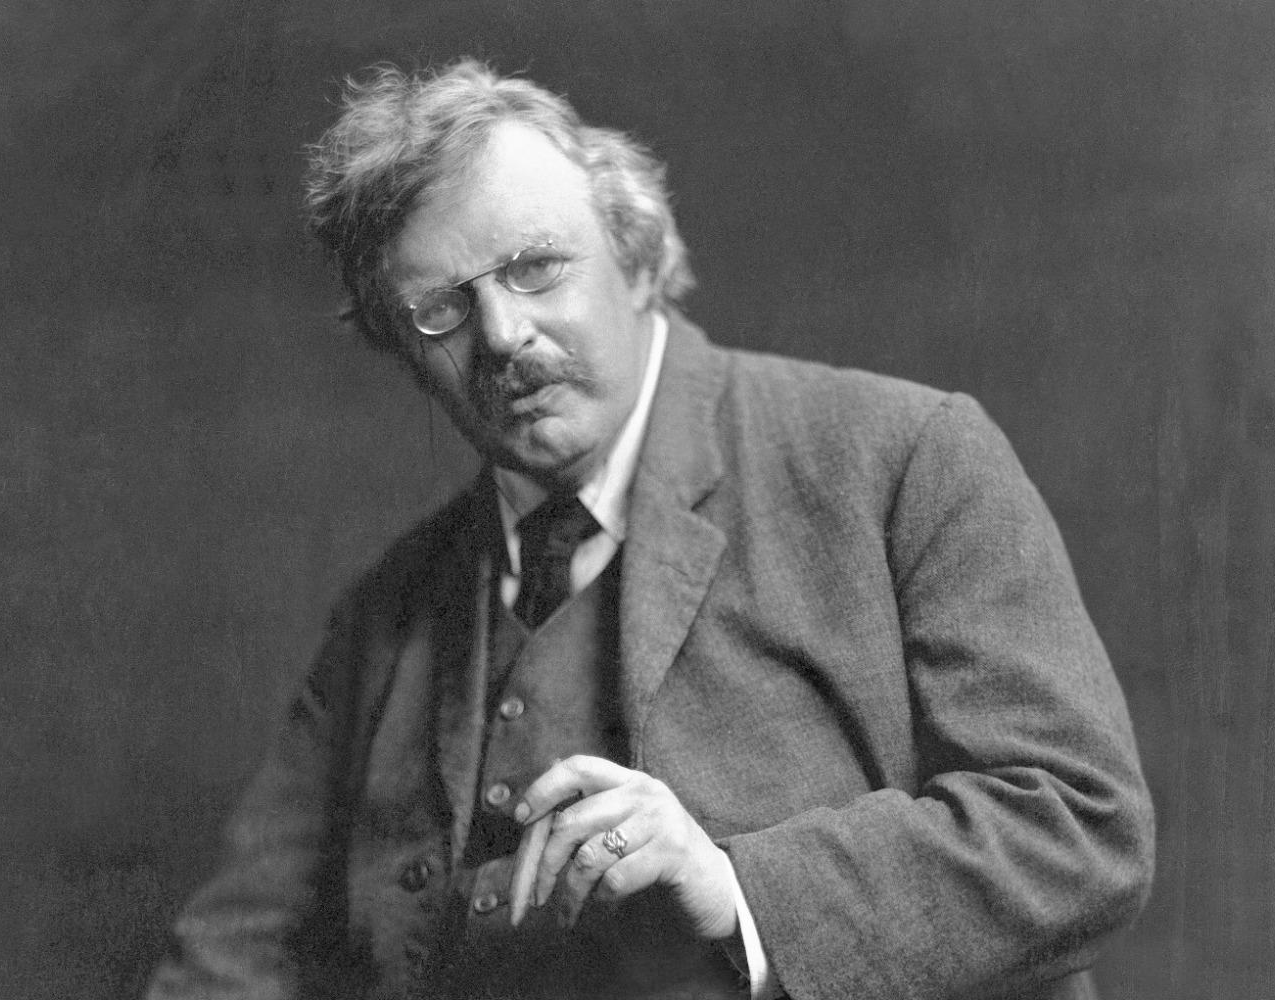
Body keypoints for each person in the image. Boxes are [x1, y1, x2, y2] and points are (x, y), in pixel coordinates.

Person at [144, 59, 1154, 1000]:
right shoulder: (387, 613)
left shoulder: (901, 460)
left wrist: (739, 890)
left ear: (634, 259)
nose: (502, 334)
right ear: (403, 352)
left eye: (535, 267)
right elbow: (233, 960)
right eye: (441, 311)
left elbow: (1079, 828)